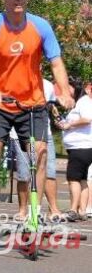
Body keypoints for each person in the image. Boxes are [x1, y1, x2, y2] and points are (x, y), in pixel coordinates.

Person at [0, 0, 75, 222]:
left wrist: (64, 91)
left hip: (32, 104)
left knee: (40, 153)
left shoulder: (40, 26)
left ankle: (34, 212)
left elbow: (56, 63)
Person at [12, 78, 63, 221]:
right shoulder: (17, 80)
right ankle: (22, 210)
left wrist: (57, 117)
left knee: (50, 172)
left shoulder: (47, 84)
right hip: (20, 133)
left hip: (44, 133)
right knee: (23, 174)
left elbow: (51, 106)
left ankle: (53, 209)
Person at [58, 81, 92, 222]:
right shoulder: (82, 102)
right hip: (83, 147)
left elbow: (87, 119)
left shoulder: (84, 102)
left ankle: (73, 210)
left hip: (80, 147)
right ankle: (82, 210)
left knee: (73, 179)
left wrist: (69, 124)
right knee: (82, 179)